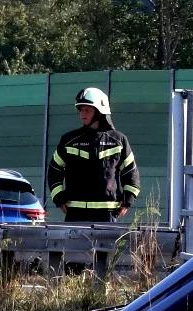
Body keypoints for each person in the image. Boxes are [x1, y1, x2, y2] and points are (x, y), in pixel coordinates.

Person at [47, 88, 140, 272]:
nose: (82, 114)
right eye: (80, 110)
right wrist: (59, 198)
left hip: (106, 215)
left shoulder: (118, 140)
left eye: (87, 110)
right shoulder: (69, 140)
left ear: (100, 111)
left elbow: (131, 171)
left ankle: (98, 298)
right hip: (75, 214)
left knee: (103, 266)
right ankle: (73, 298)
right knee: (73, 266)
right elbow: (54, 170)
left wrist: (128, 200)